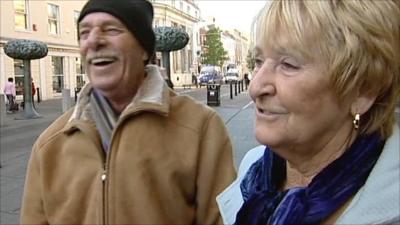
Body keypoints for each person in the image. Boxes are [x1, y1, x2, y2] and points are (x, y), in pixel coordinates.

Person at [20, 0, 236, 224]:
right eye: (84, 32)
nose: (93, 40)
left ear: (144, 49)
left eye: (111, 29)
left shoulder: (201, 128)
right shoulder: (49, 146)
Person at [217, 1, 400, 225]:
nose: (255, 87)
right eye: (258, 61)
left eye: (289, 65)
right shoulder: (253, 170)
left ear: (362, 92)